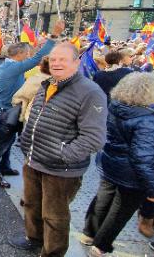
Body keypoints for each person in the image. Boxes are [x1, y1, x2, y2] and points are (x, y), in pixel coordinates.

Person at [9, 43, 107, 257]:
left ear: (76, 62)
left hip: (61, 171)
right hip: (34, 160)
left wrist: (63, 155)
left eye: (63, 59)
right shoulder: (47, 84)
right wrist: (27, 145)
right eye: (53, 59)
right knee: (32, 205)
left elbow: (94, 138)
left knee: (55, 217)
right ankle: (33, 238)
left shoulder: (90, 92)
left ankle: (52, 253)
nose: (57, 63)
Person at [82, 72, 154, 257]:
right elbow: (142, 157)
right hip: (131, 173)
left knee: (103, 199)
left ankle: (89, 233)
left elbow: (134, 120)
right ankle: (100, 246)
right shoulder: (148, 120)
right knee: (120, 211)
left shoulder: (116, 106)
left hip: (110, 162)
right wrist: (153, 190)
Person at [0, 20, 65, 189]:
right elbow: (38, 58)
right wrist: (54, 36)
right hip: (8, 112)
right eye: (28, 54)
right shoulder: (12, 68)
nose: (30, 56)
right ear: (21, 54)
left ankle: (5, 166)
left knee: (7, 142)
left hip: (9, 110)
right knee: (0, 145)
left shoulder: (8, 65)